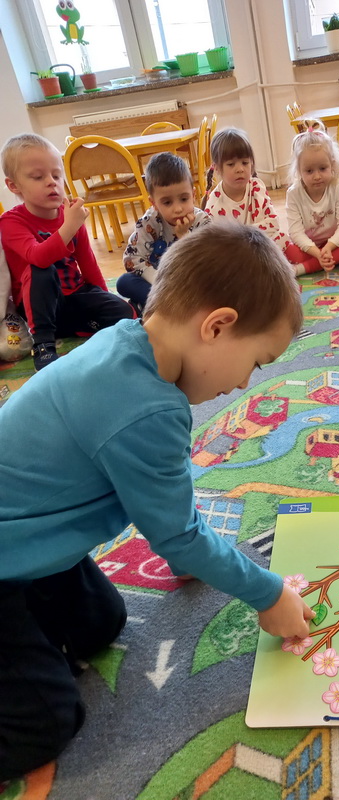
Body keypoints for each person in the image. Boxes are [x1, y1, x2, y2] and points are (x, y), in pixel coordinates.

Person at [0, 222, 315, 780]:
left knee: (101, 622)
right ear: (217, 326)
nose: (247, 384)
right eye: (257, 362)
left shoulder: (126, 340)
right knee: (45, 722)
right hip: (9, 554)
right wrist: (268, 594)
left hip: (28, 537)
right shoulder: (148, 409)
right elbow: (179, 533)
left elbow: (162, 504)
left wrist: (181, 547)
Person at [0, 133, 134, 371]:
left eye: (56, 175)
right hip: (40, 306)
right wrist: (69, 226)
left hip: (75, 295)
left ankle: (76, 326)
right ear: (14, 186)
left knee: (124, 312)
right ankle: (43, 344)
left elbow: (88, 263)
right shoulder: (11, 222)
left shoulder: (69, 215)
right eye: (38, 177)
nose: (51, 182)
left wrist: (103, 298)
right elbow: (38, 257)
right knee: (41, 269)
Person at [118, 152, 209, 314]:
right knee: (124, 282)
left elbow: (207, 264)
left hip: (191, 285)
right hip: (158, 284)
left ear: (193, 195)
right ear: (154, 203)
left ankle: (156, 309)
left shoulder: (202, 221)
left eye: (184, 199)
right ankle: (168, 308)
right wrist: (161, 284)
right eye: (167, 202)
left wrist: (185, 237)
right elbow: (132, 259)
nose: (178, 209)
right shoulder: (148, 222)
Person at [285, 120, 339, 275]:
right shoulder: (293, 194)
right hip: (308, 249)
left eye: (322, 168)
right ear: (299, 170)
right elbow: (296, 233)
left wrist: (329, 247)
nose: (317, 176)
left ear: (332, 165)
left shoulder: (335, 186)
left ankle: (304, 268)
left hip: (333, 244)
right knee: (285, 249)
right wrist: (317, 253)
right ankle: (333, 259)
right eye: (309, 171)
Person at [204, 127, 291, 252]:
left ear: (252, 163)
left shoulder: (257, 187)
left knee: (282, 238)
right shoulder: (214, 205)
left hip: (261, 245)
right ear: (217, 167)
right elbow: (217, 243)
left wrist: (240, 235)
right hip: (235, 253)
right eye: (231, 164)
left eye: (245, 163)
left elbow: (273, 224)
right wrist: (250, 234)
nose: (240, 169)